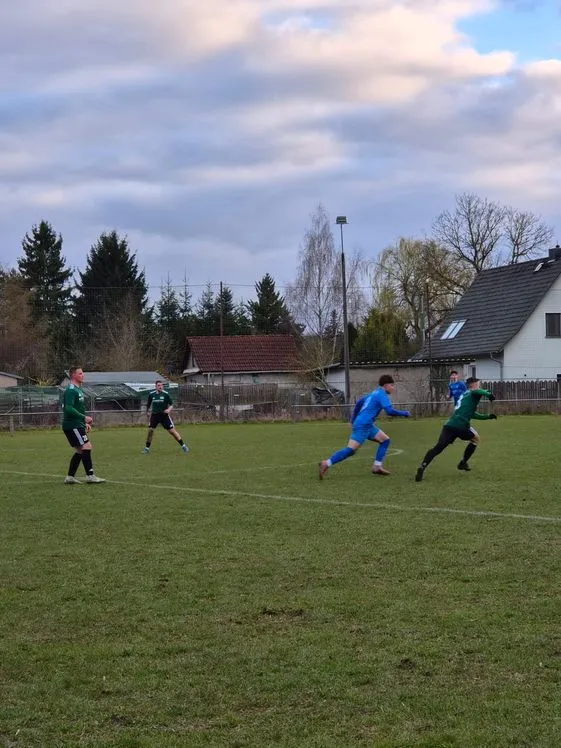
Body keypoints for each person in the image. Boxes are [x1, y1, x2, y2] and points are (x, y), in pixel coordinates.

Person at [319, 374, 409, 479]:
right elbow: (389, 411)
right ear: (385, 385)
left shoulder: (374, 393)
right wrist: (404, 413)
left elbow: (359, 403)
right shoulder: (382, 395)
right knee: (350, 450)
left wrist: (353, 420)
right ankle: (327, 463)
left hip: (367, 425)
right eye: (392, 385)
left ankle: (377, 466)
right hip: (363, 425)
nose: (393, 388)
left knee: (385, 440)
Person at [415, 377, 497, 482]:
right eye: (478, 384)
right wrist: (488, 394)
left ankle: (422, 466)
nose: (479, 386)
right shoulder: (473, 392)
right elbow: (477, 391)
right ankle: (463, 462)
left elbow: (472, 414)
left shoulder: (465, 394)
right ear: (473, 385)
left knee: (438, 447)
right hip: (461, 426)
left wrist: (487, 416)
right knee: (476, 439)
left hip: (449, 425)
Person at [62, 367, 106, 484]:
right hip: (72, 425)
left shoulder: (78, 389)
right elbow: (68, 408)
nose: (83, 375)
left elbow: (76, 408)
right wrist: (83, 417)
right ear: (73, 375)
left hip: (76, 424)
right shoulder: (71, 390)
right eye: (80, 373)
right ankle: (90, 476)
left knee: (80, 450)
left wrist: (84, 423)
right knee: (86, 446)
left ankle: (70, 477)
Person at [143, 380, 189, 454]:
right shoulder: (151, 394)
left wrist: (168, 410)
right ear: (155, 386)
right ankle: (146, 448)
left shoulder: (166, 394)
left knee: (172, 432)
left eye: (161, 385)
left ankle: (183, 446)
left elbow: (171, 404)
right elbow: (148, 405)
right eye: (158, 385)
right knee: (150, 431)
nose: (160, 387)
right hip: (154, 415)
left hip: (164, 416)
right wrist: (147, 412)